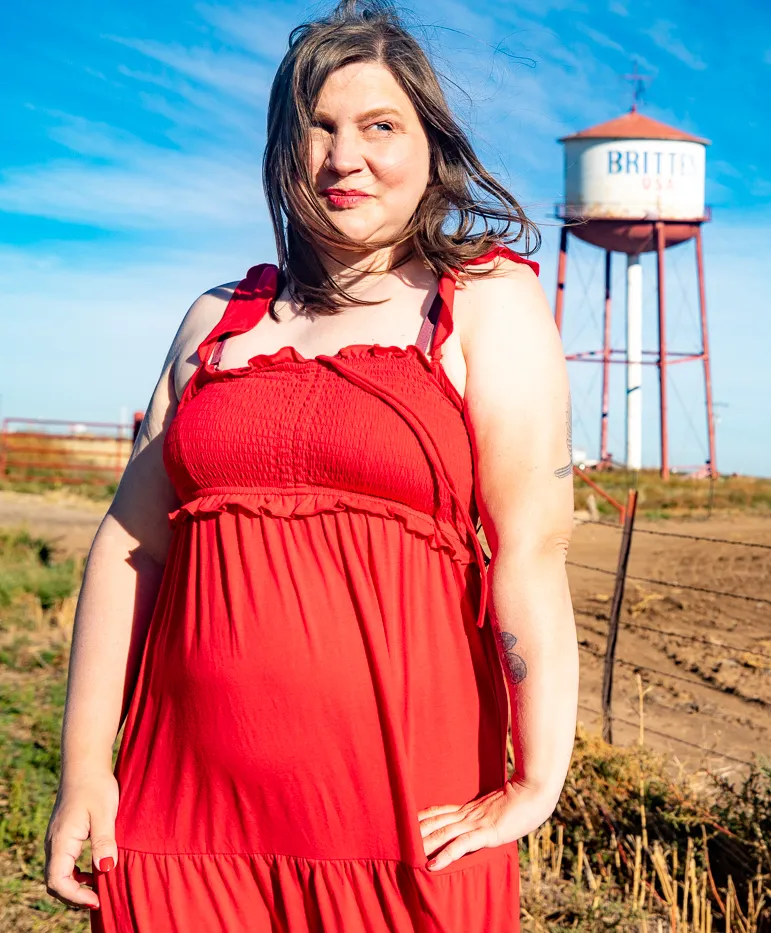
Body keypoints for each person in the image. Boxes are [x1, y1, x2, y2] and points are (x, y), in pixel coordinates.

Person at [43, 2, 578, 930]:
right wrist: (85, 769)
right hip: (184, 818)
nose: (345, 157)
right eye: (317, 128)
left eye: (381, 127)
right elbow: (131, 546)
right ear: (282, 150)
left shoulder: (486, 302)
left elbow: (533, 548)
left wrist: (539, 777)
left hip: (405, 819)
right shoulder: (219, 319)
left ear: (430, 146)